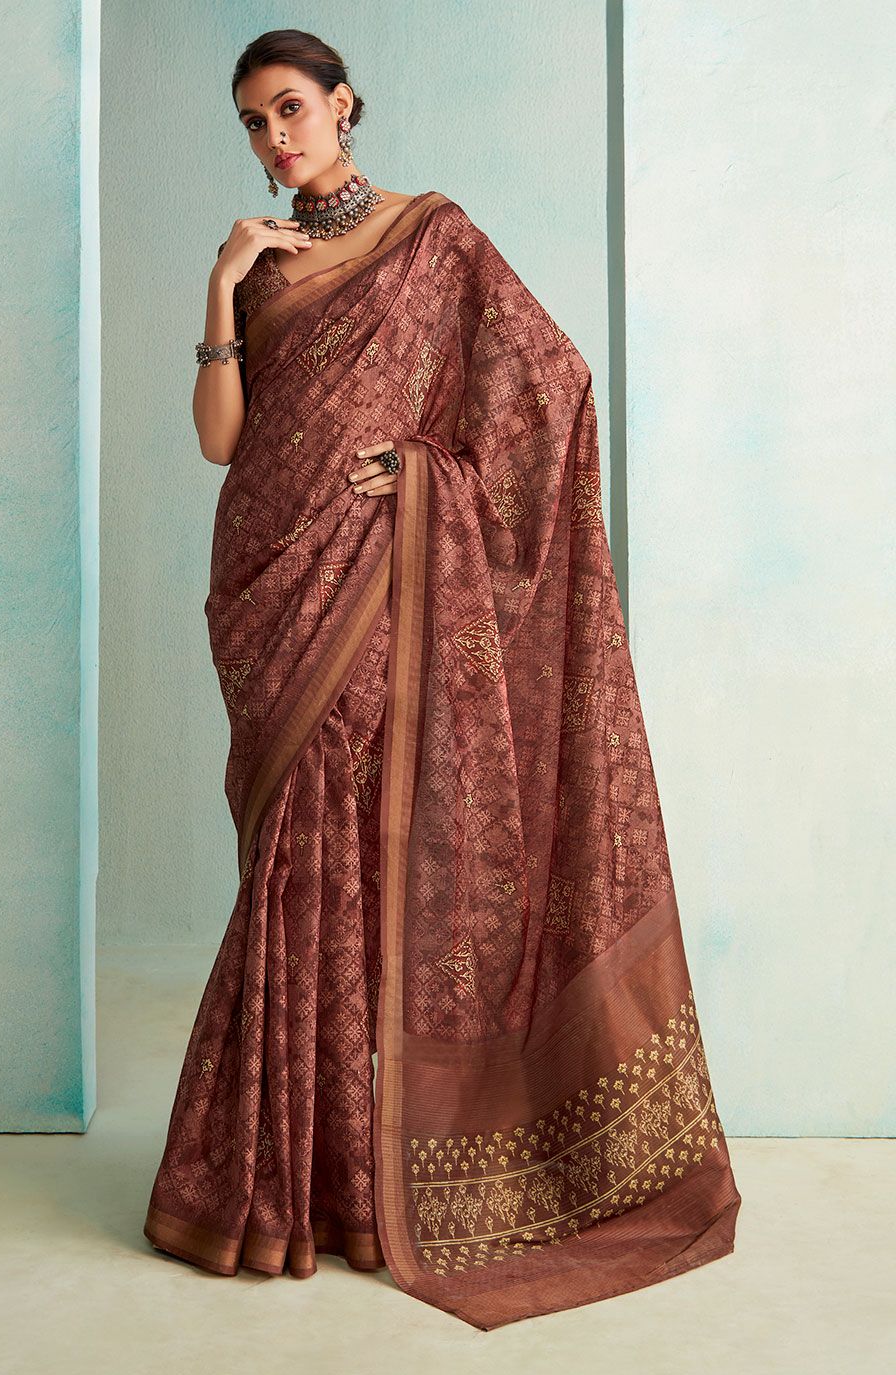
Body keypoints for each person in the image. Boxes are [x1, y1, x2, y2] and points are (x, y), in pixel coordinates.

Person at [142, 28, 742, 1331]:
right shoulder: (261, 263)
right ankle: (292, 1176)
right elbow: (221, 442)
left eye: (291, 109)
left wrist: (424, 474)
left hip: (378, 575)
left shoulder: (435, 239)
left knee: (349, 847)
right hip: (267, 582)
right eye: (253, 122)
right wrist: (222, 284)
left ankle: (359, 1178)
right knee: (289, 853)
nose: (276, 139)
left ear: (344, 104)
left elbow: (550, 387)